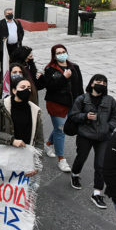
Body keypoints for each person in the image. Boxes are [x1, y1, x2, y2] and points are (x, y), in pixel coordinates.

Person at [0, 77, 43, 230]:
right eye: (22, 87)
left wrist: (37, 164)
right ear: (15, 90)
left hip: (26, 161)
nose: (27, 90)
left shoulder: (35, 111)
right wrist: (11, 140)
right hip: (6, 159)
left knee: (26, 201)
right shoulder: (1, 108)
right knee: (2, 192)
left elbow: (39, 140)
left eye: (29, 87)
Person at [68, 74, 116, 208]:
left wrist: (109, 128)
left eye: (104, 83)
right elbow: (73, 115)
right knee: (81, 157)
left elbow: (115, 116)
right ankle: (75, 174)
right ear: (92, 83)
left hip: (103, 137)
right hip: (85, 135)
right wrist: (85, 116)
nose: (101, 84)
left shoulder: (110, 100)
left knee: (101, 165)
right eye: (98, 81)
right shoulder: (82, 99)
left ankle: (96, 194)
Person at [42, 44, 83, 173]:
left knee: (62, 127)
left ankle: (48, 144)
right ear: (54, 56)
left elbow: (79, 86)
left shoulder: (74, 67)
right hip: (56, 104)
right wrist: (63, 78)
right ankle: (61, 159)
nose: (61, 54)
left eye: (63, 51)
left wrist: (82, 102)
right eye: (58, 52)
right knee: (60, 130)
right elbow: (50, 87)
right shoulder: (49, 69)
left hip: (73, 103)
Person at [0, 8, 24, 77]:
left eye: (11, 13)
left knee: (15, 62)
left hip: (15, 46)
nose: (10, 15)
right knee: (4, 63)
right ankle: (2, 78)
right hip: (5, 47)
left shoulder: (17, 22)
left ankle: (14, 76)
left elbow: (21, 32)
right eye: (8, 13)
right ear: (5, 14)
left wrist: (19, 40)